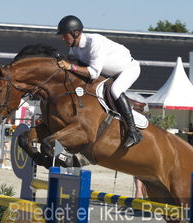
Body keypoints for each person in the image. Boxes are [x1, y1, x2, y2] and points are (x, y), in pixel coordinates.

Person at [56, 15, 142, 148]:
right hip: (108, 75)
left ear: (75, 33)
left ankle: (133, 132)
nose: (62, 38)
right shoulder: (74, 47)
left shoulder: (95, 42)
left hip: (129, 69)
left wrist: (70, 66)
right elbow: (71, 61)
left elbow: (93, 73)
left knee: (115, 90)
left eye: (64, 35)